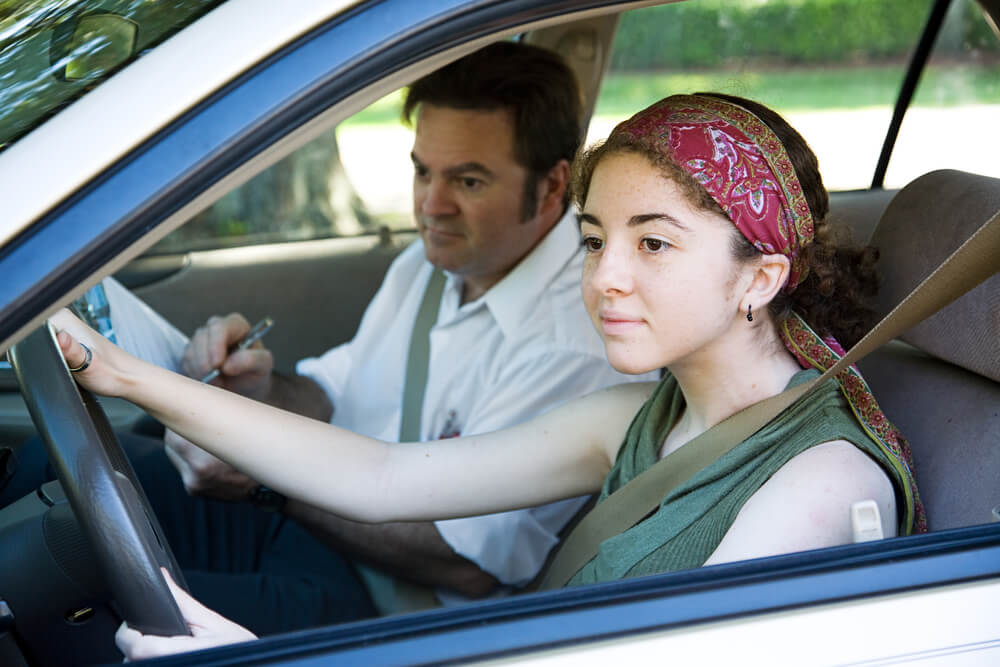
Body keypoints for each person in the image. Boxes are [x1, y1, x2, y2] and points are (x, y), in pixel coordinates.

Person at [54, 92, 926, 660]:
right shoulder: (638, 418)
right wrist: (127, 376)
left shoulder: (820, 477)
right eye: (593, 240)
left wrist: (247, 653)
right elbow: (381, 474)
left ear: (761, 278)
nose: (605, 276)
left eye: (652, 242)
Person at [4, 41, 650, 634]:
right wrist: (263, 385)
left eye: (468, 180)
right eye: (423, 171)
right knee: (49, 471)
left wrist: (267, 484)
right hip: (314, 524)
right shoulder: (432, 265)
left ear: (554, 186)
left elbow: (465, 565)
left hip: (394, 604)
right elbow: (335, 392)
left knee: (84, 605)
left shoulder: (576, 341)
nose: (431, 204)